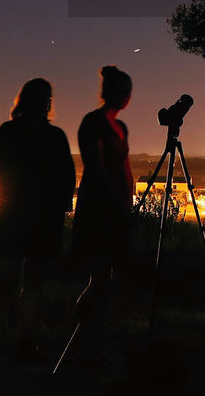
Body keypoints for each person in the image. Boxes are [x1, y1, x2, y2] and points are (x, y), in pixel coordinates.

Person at [0, 77, 76, 364]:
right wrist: (59, 207)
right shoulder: (55, 137)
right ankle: (23, 345)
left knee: (7, 281)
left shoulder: (9, 132)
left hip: (14, 218)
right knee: (31, 283)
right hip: (40, 219)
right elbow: (67, 178)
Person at [68, 65, 135, 364]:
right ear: (116, 94)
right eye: (124, 92)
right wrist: (117, 201)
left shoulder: (122, 128)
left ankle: (92, 334)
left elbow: (124, 166)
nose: (126, 97)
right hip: (98, 208)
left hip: (117, 208)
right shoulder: (92, 123)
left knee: (107, 276)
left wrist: (130, 200)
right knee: (99, 275)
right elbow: (95, 166)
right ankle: (83, 335)